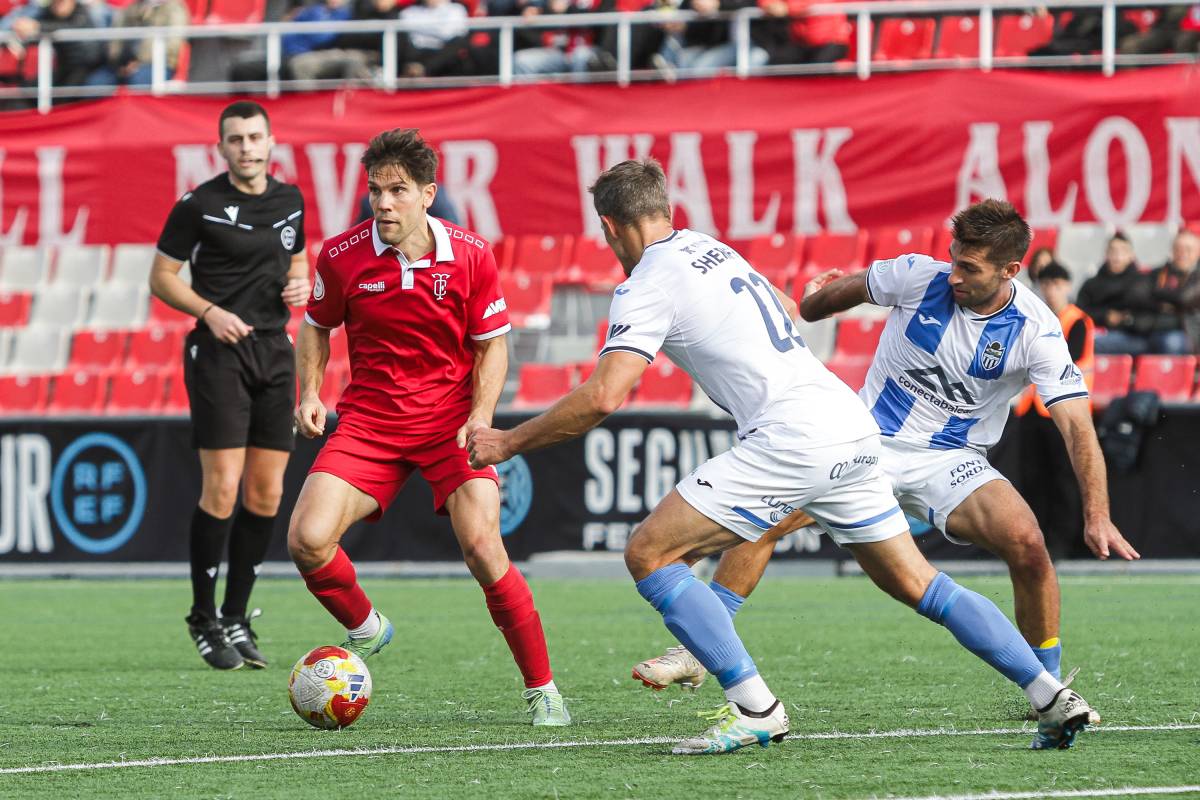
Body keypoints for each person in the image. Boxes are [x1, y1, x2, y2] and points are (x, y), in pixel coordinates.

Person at [467, 165, 1097, 755]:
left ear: (608, 227)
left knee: (649, 552)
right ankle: (1049, 695)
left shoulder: (648, 281)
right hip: (849, 424)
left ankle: (754, 706)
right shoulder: (712, 247)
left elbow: (603, 397)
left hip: (793, 436)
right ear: (666, 209)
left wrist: (508, 441)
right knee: (920, 584)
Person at [627, 200, 1137, 728]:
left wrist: (1096, 514)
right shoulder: (917, 274)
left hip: (950, 457)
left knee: (1028, 545)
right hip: (867, 438)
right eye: (954, 259)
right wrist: (817, 296)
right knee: (767, 522)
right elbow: (820, 305)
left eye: (970, 268)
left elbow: (1078, 426)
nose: (954, 274)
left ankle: (1048, 687)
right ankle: (698, 651)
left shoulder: (1038, 329)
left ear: (1010, 270)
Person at [288, 128, 570, 727]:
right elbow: (315, 325)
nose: (383, 203)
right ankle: (368, 627)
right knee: (307, 540)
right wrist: (310, 393)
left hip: (449, 424)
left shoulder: (470, 254)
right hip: (369, 421)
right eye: (375, 191)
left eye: (397, 191)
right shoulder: (340, 257)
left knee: (483, 549)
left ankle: (543, 689)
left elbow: (494, 346)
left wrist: (480, 417)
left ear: (427, 194)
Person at [150, 101, 311, 671]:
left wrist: (301, 286)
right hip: (217, 353)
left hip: (275, 350)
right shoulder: (199, 205)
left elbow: (297, 262)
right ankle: (203, 616)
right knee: (221, 488)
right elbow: (161, 278)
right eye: (236, 139)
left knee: (266, 494)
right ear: (221, 147)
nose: (247, 147)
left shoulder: (290, 200)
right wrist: (210, 312)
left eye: (255, 137)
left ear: (271, 142)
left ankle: (237, 616)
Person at [1013, 262, 1095, 559]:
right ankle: (1037, 540)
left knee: (1063, 479)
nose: (1051, 290)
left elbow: (1059, 362)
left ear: (1067, 286)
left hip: (1062, 411)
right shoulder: (1034, 319)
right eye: (1046, 284)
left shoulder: (1078, 321)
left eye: (1057, 284)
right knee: (1032, 478)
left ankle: (1062, 543)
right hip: (1031, 409)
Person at [1077, 233, 1159, 355]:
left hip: (1134, 336)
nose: (1117, 256)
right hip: (1098, 331)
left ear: (1131, 255)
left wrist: (1126, 319)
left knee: (1090, 344)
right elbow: (1080, 312)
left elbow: (1150, 313)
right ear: (1106, 254)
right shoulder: (1091, 283)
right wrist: (1105, 316)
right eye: (1112, 251)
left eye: (1123, 251)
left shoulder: (1142, 281)